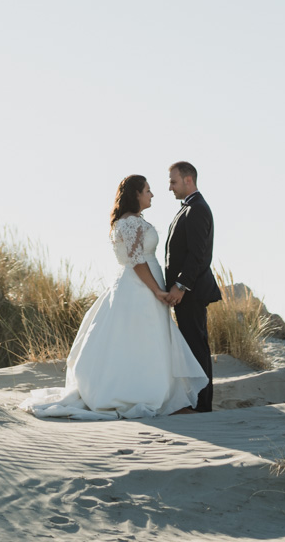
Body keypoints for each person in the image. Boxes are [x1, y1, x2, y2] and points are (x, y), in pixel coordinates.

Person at [23, 174, 208, 420]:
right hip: (140, 288)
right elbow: (137, 262)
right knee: (140, 340)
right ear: (136, 195)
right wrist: (156, 290)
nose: (152, 195)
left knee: (144, 340)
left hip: (138, 286)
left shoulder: (131, 221)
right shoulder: (130, 223)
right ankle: (139, 395)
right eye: (147, 191)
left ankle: (157, 396)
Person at [164, 161, 221, 412]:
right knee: (192, 344)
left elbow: (197, 256)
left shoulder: (197, 208)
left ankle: (202, 404)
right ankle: (197, 401)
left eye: (173, 181)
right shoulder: (189, 208)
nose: (170, 187)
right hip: (188, 291)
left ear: (188, 180)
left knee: (196, 346)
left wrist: (180, 286)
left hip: (192, 291)